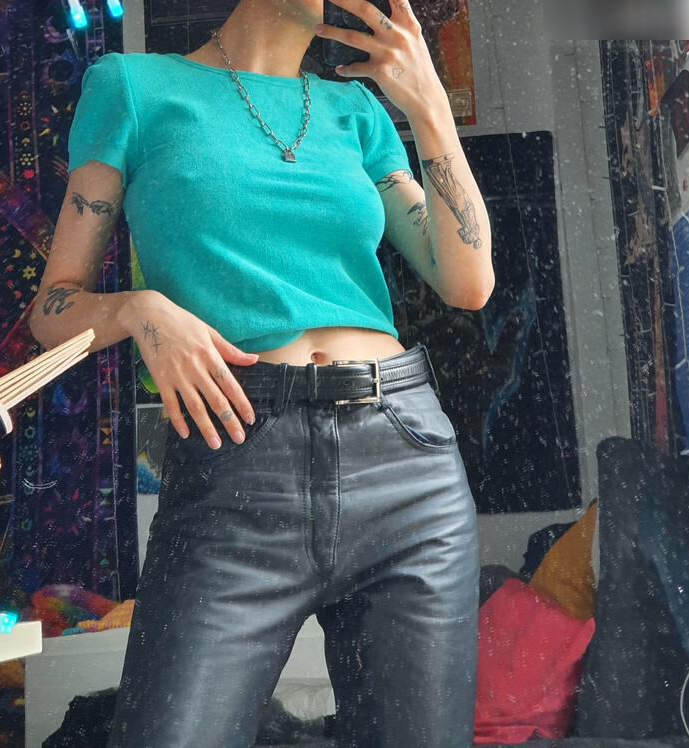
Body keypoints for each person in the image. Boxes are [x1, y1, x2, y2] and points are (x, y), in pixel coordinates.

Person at [30, 0, 494, 745]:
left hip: (405, 464)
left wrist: (430, 107)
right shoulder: (133, 88)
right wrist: (140, 310)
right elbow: (54, 308)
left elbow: (467, 282)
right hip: (237, 459)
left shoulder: (355, 111)